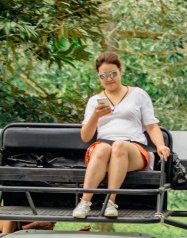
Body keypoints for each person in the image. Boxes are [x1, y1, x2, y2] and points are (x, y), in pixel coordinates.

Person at [72, 52, 171, 218]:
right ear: (99, 77)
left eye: (113, 74)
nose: (109, 79)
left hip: (133, 148)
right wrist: (96, 116)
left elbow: (152, 126)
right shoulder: (94, 100)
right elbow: (85, 136)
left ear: (120, 71)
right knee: (103, 148)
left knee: (119, 145)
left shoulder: (138, 94)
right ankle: (85, 202)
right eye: (104, 76)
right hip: (103, 149)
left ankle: (111, 201)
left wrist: (160, 145)